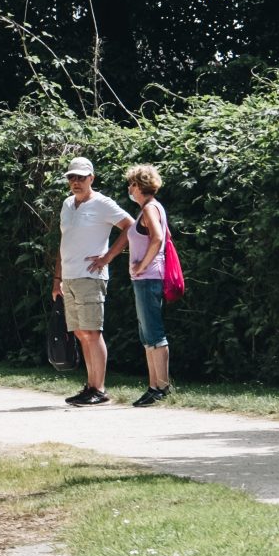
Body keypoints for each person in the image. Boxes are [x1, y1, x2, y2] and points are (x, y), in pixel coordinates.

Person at [52, 157, 134, 406]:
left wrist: (107, 257)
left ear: (92, 178)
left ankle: (99, 389)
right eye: (72, 177)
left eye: (81, 177)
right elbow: (64, 242)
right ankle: (90, 386)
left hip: (90, 276)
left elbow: (130, 226)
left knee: (92, 332)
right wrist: (57, 279)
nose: (76, 182)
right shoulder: (67, 204)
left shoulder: (102, 203)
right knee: (80, 333)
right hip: (69, 277)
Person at [124, 165, 173, 406]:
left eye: (131, 184)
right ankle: (154, 386)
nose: (129, 188)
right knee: (147, 335)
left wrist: (141, 265)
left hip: (148, 277)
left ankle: (161, 387)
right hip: (146, 278)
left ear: (138, 185)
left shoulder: (150, 208)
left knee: (153, 332)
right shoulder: (151, 208)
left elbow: (158, 238)